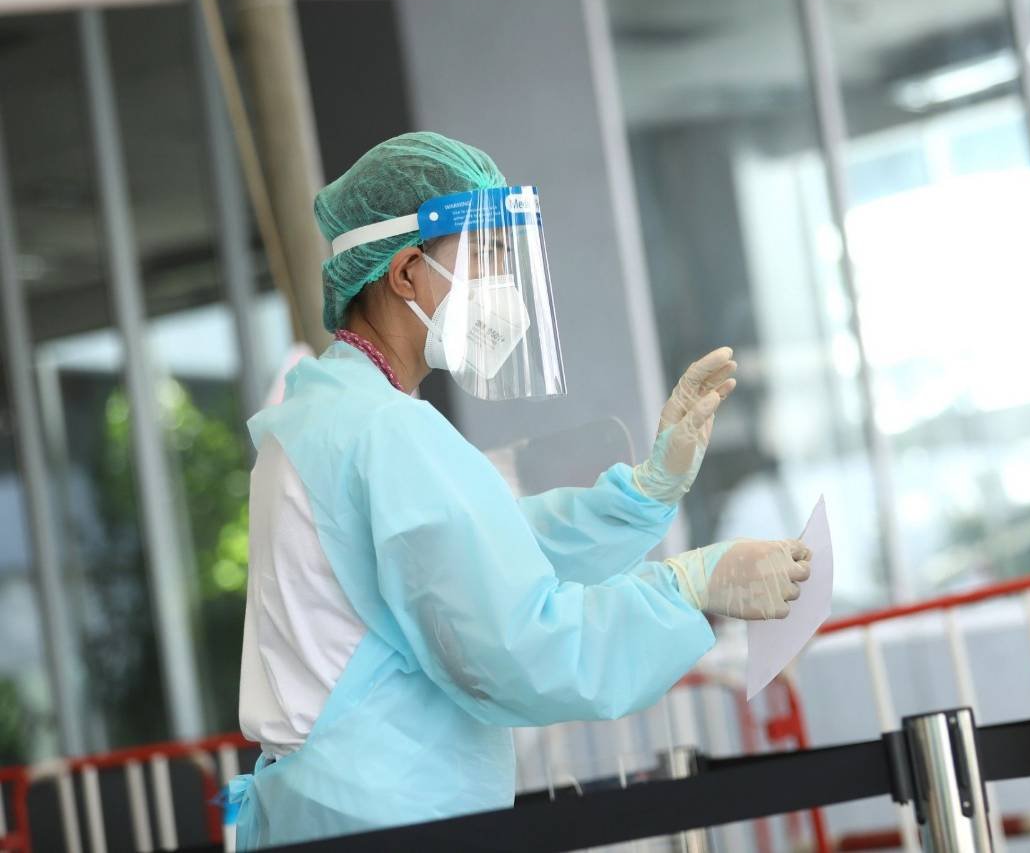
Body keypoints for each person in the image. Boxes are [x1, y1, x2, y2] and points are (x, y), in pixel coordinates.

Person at [229, 131, 810, 849]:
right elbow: (516, 645)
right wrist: (687, 589)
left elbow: (487, 548)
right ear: (406, 272)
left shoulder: (331, 414)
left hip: (348, 808)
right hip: (387, 815)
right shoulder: (382, 430)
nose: (504, 286)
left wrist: (643, 494)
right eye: (488, 256)